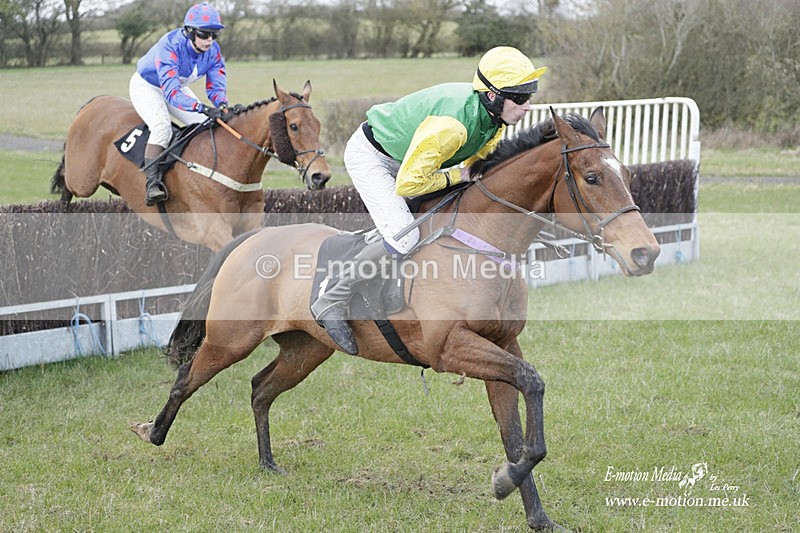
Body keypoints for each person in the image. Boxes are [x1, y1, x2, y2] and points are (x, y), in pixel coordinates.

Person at [311, 46, 547, 355]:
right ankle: (331, 299)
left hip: (411, 158)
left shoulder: (493, 120)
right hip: (374, 157)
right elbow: (410, 182)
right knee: (404, 235)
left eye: (530, 96)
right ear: (492, 96)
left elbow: (475, 170)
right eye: (520, 98)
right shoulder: (453, 126)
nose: (526, 106)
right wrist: (458, 176)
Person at [129, 2, 229, 205]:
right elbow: (172, 92)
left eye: (214, 35)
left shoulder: (213, 51)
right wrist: (200, 106)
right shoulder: (170, 45)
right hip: (148, 85)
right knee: (162, 127)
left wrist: (221, 105)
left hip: (175, 84)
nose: (209, 40)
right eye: (204, 34)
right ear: (189, 32)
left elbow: (216, 82)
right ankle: (152, 182)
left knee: (204, 123)